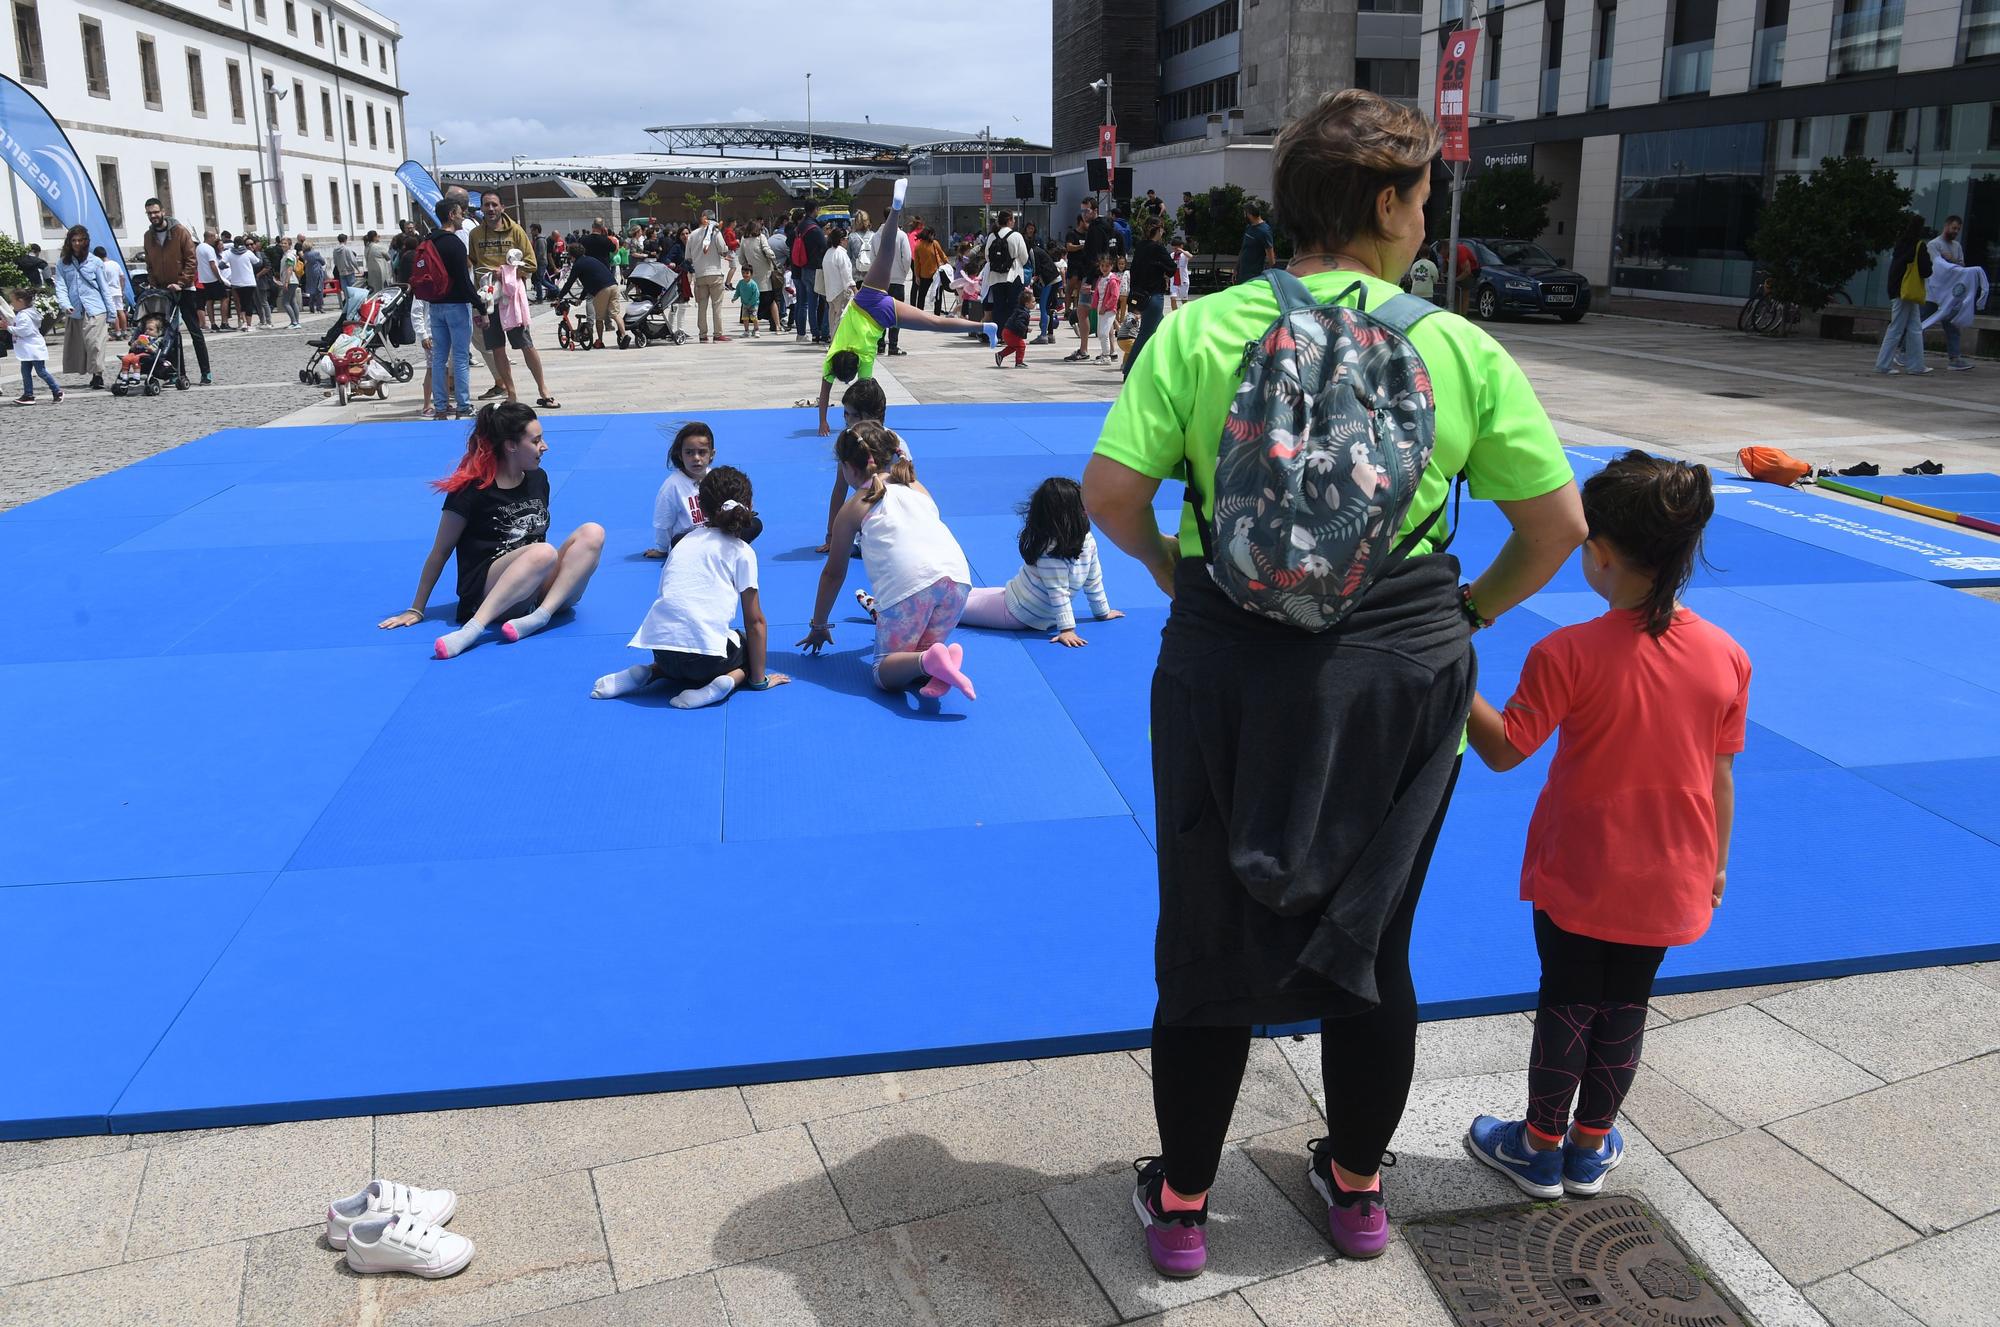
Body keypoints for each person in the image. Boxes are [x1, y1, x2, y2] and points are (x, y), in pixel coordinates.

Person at [1081, 88, 1586, 1276]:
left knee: (1201, 934)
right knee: (1377, 938)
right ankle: (1356, 1188)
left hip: (1223, 663)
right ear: (1383, 201)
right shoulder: (1455, 344)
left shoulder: (1203, 330)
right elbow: (1553, 525)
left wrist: (1176, 573)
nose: (1424, 219)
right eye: (1418, 197)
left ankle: (1185, 1208)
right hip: (1400, 677)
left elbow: (1110, 498)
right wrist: (1462, 613)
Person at [1462, 452, 1746, 1200]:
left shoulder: (1567, 652)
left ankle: (1537, 1146)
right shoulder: (1726, 657)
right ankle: (1590, 1148)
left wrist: (1451, 663)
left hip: (1582, 869)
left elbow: (1503, 748)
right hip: (1674, 872)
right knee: (1626, 1003)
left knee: (1566, 998)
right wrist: (1715, 863)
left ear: (1603, 553)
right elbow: (1719, 774)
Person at [377, 402, 605, 658]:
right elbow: (440, 552)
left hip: (536, 592)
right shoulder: (470, 492)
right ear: (511, 445)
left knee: (592, 532)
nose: (545, 446)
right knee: (543, 552)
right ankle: (473, 629)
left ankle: (541, 616)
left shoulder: (538, 478)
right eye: (536, 440)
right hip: (488, 596)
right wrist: (416, 608)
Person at [800, 420, 977, 701]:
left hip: (911, 588)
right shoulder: (916, 485)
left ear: (849, 467)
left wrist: (819, 625)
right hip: (958, 581)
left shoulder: (854, 506)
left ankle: (928, 663)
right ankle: (937, 663)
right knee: (922, 652)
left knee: (884, 672)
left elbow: (833, 574)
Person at [592, 466, 789, 708]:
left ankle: (649, 672)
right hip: (707, 662)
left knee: (684, 648)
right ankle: (724, 683)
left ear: (701, 508)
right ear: (747, 504)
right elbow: (755, 620)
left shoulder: (682, 542)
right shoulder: (742, 551)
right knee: (748, 646)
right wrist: (760, 680)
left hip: (662, 651)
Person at [813, 181, 999, 435]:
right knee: (886, 252)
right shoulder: (832, 355)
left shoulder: (865, 359)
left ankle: (984, 326)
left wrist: (865, 424)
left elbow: (867, 396)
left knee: (935, 323)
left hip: (882, 315)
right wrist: (822, 420)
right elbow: (824, 393)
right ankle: (896, 209)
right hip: (867, 300)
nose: (846, 381)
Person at [946, 477, 1123, 647]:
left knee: (952, 603)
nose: (1087, 509)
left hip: (1018, 608)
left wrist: (1099, 613)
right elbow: (1063, 589)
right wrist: (1070, 627)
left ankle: (930, 599)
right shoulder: (1054, 548)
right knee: (958, 600)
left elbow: (1090, 580)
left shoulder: (1084, 541)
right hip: (1017, 605)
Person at [468, 197, 559, 407]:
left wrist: (505, 272)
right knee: (496, 348)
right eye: (486, 205)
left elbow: (531, 263)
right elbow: (472, 263)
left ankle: (543, 390)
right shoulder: (475, 234)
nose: (490, 209)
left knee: (526, 344)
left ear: (502, 207)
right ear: (481, 208)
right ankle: (511, 393)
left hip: (511, 299)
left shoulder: (516, 231)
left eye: (494, 205)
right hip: (487, 299)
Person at [139, 198, 213, 385]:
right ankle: (176, 372)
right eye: (149, 213)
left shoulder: (180, 232)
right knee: (169, 333)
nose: (153, 216)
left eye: (156, 212)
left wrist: (181, 282)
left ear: (163, 211)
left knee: (194, 330)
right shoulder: (149, 236)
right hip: (164, 291)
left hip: (184, 289)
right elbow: (149, 263)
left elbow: (191, 260)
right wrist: (154, 283)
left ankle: (206, 372)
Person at [423, 197, 479, 418]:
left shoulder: (429, 240)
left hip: (435, 305)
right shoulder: (454, 243)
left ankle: (440, 405)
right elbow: (464, 280)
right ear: (451, 215)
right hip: (456, 305)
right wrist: (480, 307)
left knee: (439, 358)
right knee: (460, 357)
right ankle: (463, 405)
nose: (463, 216)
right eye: (459, 213)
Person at [53, 225, 114, 391]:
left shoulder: (95, 262)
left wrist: (112, 313)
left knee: (95, 343)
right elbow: (61, 286)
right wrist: (65, 304)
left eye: (80, 240)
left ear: (86, 241)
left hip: (96, 308)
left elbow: (104, 287)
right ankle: (92, 371)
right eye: (73, 240)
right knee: (81, 346)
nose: (77, 243)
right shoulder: (63, 263)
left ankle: (97, 374)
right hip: (76, 309)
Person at [1874, 214, 1934, 377]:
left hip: (1899, 290)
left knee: (1914, 328)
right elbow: (1926, 270)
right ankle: (1884, 364)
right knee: (1898, 328)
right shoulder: (1919, 246)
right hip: (1907, 291)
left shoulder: (1901, 244)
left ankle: (1916, 365)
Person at [648, 421, 716, 557]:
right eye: (689, 453)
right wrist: (662, 549)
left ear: (712, 454)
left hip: (715, 538)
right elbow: (663, 522)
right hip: (689, 541)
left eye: (702, 452)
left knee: (755, 525)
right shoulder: (672, 486)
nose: (696, 458)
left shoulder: (716, 478)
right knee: (679, 541)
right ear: (680, 455)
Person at [1064, 198, 1116, 361]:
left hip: (1094, 275)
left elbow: (1093, 255)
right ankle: (1112, 350)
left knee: (1082, 310)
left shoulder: (1094, 229)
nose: (1084, 214)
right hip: (1105, 274)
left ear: (1094, 210)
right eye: (1082, 211)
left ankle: (1084, 349)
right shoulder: (1108, 227)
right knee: (1106, 312)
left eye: (1086, 211)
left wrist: (1090, 280)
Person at [1124, 219, 1171, 377]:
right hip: (1154, 296)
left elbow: (1134, 272)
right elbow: (1172, 268)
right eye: (1162, 229)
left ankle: (1157, 367)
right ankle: (1129, 370)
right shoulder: (1158, 248)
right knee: (1145, 334)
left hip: (1142, 296)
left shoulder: (1141, 246)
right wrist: (1159, 266)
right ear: (1158, 230)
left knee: (1163, 332)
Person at [1926, 216, 1973, 372]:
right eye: (1953, 228)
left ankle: (1954, 358)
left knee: (1952, 325)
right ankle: (1904, 351)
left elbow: (1961, 266)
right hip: (1933, 293)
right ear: (1946, 226)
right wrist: (1952, 263)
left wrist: (1951, 260)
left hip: (1949, 296)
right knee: (1922, 321)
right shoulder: (1934, 244)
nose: (1956, 231)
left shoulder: (1957, 246)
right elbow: (1939, 267)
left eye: (1958, 229)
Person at [556, 249, 625, 351]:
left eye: (570, 257)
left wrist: (559, 298)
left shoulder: (578, 265)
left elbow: (569, 283)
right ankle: (623, 336)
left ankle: (600, 341)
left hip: (602, 290)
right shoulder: (592, 260)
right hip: (614, 286)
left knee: (599, 318)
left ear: (573, 257)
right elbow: (588, 284)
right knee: (615, 314)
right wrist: (581, 298)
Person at [8, 287, 63, 404]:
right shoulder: (26, 313)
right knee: (25, 372)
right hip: (28, 350)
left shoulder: (24, 315)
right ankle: (28, 395)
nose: (11, 304)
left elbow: (24, 330)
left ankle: (57, 391)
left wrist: (8, 328)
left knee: (41, 372)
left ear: (21, 301)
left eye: (13, 301)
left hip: (33, 349)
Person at [984, 210, 1030, 345]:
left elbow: (987, 256)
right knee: (1014, 306)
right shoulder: (1016, 236)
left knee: (998, 306)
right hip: (1013, 275)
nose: (1014, 222)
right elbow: (1024, 257)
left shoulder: (992, 236)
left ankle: (998, 335)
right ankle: (1011, 335)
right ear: (1009, 220)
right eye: (1013, 219)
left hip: (995, 277)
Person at [687, 209, 733, 343]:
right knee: (716, 305)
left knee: (702, 306)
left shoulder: (692, 235)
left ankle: (702, 334)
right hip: (714, 273)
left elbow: (688, 257)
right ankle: (718, 334)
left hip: (700, 274)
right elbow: (723, 249)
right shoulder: (715, 233)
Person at [789, 208, 828, 343]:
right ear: (815, 209)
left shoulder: (799, 227)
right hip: (815, 268)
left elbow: (789, 242)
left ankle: (813, 333)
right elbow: (824, 246)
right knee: (825, 301)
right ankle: (823, 331)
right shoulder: (815, 229)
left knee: (808, 303)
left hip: (802, 268)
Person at [222, 235, 263, 330]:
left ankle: (244, 322)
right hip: (249, 282)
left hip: (236, 282)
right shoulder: (248, 253)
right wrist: (257, 252)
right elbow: (258, 263)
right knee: (248, 302)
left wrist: (231, 267)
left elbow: (221, 264)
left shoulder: (229, 253)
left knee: (241, 303)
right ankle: (249, 324)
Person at [1092, 254, 1123, 363]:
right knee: (1100, 333)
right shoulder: (1101, 279)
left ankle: (1106, 356)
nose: (1104, 268)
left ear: (1111, 266)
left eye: (1107, 266)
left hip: (1109, 309)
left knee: (1104, 333)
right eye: (1102, 266)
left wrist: (1105, 307)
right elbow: (1098, 293)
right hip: (1101, 307)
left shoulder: (1112, 280)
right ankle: (1105, 352)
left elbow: (1115, 296)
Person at [196, 229, 229, 331]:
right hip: (212, 277)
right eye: (214, 237)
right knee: (224, 298)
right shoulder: (209, 249)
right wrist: (219, 278)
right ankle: (224, 322)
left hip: (204, 278)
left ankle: (213, 323)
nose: (215, 239)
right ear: (209, 237)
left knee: (209, 301)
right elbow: (213, 265)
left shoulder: (198, 247)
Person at [1235, 204, 1275, 284]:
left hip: (1253, 275)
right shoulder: (1249, 227)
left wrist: (1269, 275)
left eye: (1245, 214)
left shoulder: (1264, 231)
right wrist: (1236, 268)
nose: (1244, 216)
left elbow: (1271, 257)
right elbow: (1244, 248)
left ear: (1249, 214)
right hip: (1242, 272)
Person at [997, 286, 1035, 368]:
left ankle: (1000, 355)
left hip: (1007, 332)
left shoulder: (1021, 310)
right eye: (1033, 302)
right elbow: (1019, 323)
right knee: (1021, 346)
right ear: (1027, 304)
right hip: (1010, 333)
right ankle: (1019, 362)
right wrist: (1026, 329)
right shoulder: (1023, 313)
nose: (1034, 303)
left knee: (1014, 346)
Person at [736, 266, 762, 338]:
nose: (745, 275)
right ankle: (746, 331)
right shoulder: (740, 282)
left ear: (751, 274)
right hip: (744, 304)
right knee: (745, 318)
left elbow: (756, 295)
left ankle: (756, 330)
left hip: (753, 305)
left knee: (754, 317)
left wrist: (751, 303)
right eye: (743, 273)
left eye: (747, 273)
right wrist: (735, 297)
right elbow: (738, 290)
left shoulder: (753, 284)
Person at [302, 241, 328, 313]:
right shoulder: (316, 253)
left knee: (312, 290)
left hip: (309, 273)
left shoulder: (304, 255)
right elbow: (323, 262)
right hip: (317, 272)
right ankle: (320, 306)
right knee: (319, 289)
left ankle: (311, 306)